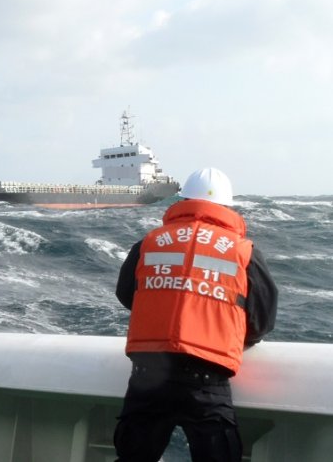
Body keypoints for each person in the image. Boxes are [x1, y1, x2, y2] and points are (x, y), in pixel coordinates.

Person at [114, 168, 278, 462]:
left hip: (148, 373)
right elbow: (262, 318)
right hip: (206, 376)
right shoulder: (243, 252)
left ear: (184, 199)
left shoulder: (149, 243)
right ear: (227, 206)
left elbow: (128, 295)